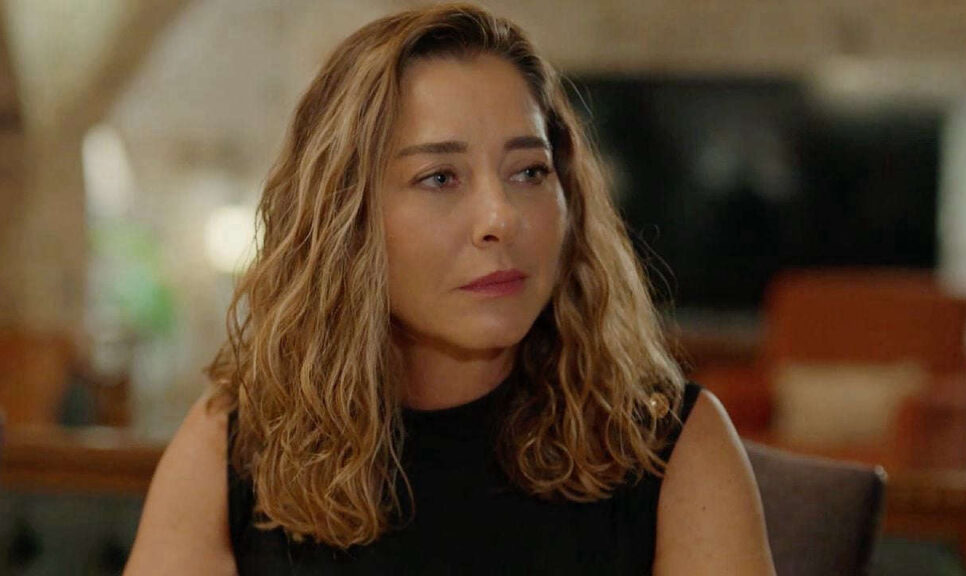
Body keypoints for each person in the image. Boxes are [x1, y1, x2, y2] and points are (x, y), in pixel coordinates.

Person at [124, 4, 775, 574]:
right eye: (440, 178)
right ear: (346, 218)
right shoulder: (237, 443)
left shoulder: (672, 445)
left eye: (529, 172)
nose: (501, 218)